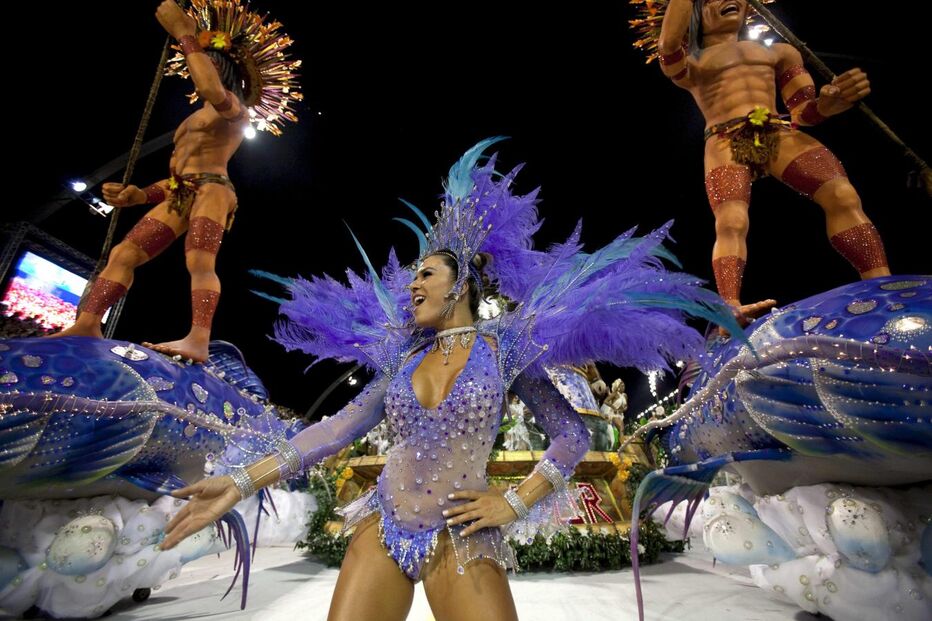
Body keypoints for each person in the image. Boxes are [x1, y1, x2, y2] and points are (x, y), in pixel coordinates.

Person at [160, 138, 738, 620]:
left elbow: (572, 435)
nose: (413, 285)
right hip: (383, 525)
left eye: (426, 274)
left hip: (463, 534)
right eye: (413, 276)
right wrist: (239, 482)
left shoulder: (505, 347)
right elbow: (335, 428)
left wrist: (516, 500)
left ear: (459, 284)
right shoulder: (402, 360)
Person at [53, 0, 300, 362]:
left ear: (222, 69)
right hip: (182, 190)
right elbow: (178, 179)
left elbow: (210, 89)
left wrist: (185, 35)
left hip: (214, 190)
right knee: (124, 254)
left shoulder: (233, 109)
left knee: (199, 260)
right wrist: (138, 195)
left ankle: (199, 339)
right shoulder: (192, 120)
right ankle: (88, 322)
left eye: (205, 59)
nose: (195, 61)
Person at [654, 0, 890, 316]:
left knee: (842, 194)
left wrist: (830, 102)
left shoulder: (780, 53)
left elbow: (804, 112)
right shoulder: (691, 63)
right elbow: (668, 43)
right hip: (726, 138)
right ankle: (730, 307)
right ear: (695, 14)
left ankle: (880, 282)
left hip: (777, 129)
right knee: (731, 220)